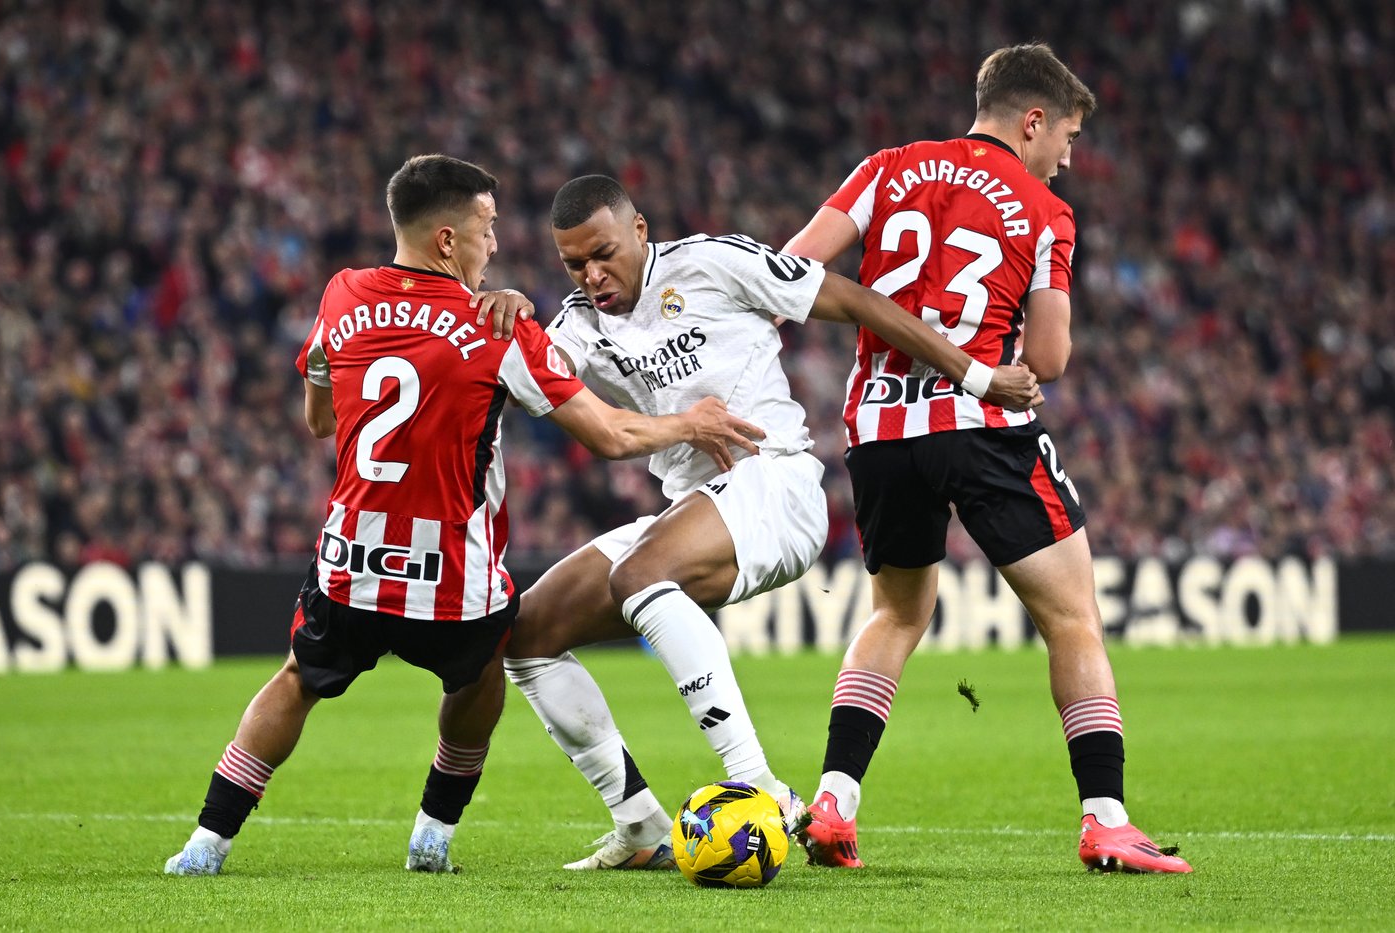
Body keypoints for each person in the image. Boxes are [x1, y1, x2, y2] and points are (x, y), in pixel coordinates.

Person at [162, 155, 767, 876]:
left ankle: (207, 841)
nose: (497, 243)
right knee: (482, 670)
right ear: (448, 240)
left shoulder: (343, 293)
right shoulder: (496, 329)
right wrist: (689, 423)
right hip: (453, 576)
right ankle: (432, 835)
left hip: (351, 563)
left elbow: (320, 418)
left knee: (298, 677)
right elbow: (610, 436)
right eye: (488, 226)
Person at [438, 173, 1041, 871]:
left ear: (640, 231)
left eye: (604, 253)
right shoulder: (576, 329)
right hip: (692, 513)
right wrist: (501, 311)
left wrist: (977, 376)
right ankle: (639, 825)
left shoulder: (712, 263)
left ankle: (763, 788)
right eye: (575, 264)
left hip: (775, 481)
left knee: (640, 574)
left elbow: (853, 298)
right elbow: (501, 378)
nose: (593, 274)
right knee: (526, 634)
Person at [781, 43, 1192, 874]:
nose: (1067, 160)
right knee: (1072, 616)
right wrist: (985, 359)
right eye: (1067, 138)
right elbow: (1049, 356)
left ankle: (833, 802)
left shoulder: (885, 167)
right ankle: (1106, 818)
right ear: (1031, 119)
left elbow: (788, 271)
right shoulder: (1043, 210)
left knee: (896, 613)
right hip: (979, 420)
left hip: (878, 429)